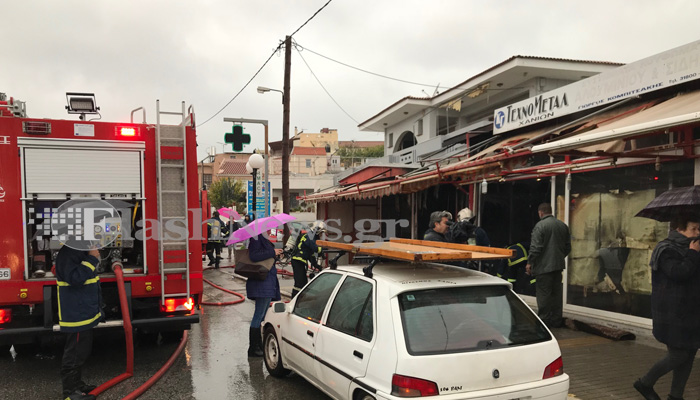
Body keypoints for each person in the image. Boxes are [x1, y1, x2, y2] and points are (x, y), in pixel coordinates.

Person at [634, 214, 700, 400]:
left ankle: (676, 396)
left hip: (692, 312)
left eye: (699, 229)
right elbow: (678, 273)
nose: (697, 232)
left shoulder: (693, 248)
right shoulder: (666, 249)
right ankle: (645, 383)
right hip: (673, 313)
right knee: (678, 355)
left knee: (689, 355)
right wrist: (693, 253)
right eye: (693, 228)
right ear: (680, 228)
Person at [56, 244, 103, 400]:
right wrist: (91, 258)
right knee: (74, 354)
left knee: (81, 352)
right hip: (76, 314)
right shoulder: (69, 252)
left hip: (83, 312)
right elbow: (75, 279)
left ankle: (77, 386)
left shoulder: (78, 250)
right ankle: (70, 393)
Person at [525, 203, 571, 329]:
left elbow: (535, 248)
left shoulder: (540, 226)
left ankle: (544, 323)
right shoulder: (562, 226)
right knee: (556, 295)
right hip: (558, 266)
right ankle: (556, 321)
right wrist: (559, 257)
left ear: (540, 212)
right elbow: (568, 247)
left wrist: (530, 262)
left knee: (543, 295)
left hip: (543, 268)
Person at [246, 233, 283, 357]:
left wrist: (276, 254)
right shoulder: (256, 238)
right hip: (261, 282)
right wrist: (272, 252)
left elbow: (266, 258)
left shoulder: (263, 239)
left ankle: (258, 345)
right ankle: (253, 347)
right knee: (259, 315)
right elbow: (254, 256)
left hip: (267, 281)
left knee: (262, 316)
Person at [290, 221, 326, 297]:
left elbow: (311, 254)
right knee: (300, 282)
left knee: (303, 282)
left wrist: (316, 265)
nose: (321, 234)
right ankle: (295, 298)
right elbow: (315, 248)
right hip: (297, 261)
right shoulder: (310, 236)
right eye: (320, 232)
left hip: (299, 261)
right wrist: (322, 250)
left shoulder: (311, 237)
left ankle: (299, 298)